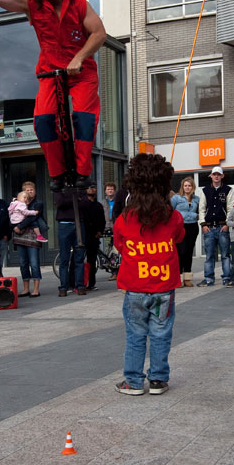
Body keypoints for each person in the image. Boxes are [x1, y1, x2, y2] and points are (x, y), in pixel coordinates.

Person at [0, 0, 106, 191]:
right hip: (50, 72)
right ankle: (57, 172)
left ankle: (83, 171)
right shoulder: (31, 5)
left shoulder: (79, 4)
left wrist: (80, 57)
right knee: (42, 121)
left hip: (81, 72)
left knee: (84, 117)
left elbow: (99, 34)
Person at [113, 153, 185, 395]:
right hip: (163, 288)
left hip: (135, 287)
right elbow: (179, 238)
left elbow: (120, 246)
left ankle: (133, 381)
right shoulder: (173, 217)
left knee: (135, 335)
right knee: (161, 333)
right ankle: (158, 379)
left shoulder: (124, 219)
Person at [197, 166, 234, 286]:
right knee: (209, 255)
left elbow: (231, 209)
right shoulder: (205, 190)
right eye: (214, 174)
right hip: (208, 228)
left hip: (222, 227)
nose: (216, 176)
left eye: (219, 174)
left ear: (222, 176)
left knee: (225, 255)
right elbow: (201, 209)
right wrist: (203, 224)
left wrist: (227, 224)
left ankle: (227, 277)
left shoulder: (228, 190)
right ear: (211, 176)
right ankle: (209, 278)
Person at [12, 180, 48, 297]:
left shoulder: (38, 203)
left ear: (35, 191)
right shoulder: (17, 202)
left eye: (31, 190)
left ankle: (36, 289)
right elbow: (12, 215)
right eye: (27, 190)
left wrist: (20, 226)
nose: (29, 192)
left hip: (33, 237)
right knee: (23, 263)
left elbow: (32, 218)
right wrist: (14, 226)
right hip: (20, 237)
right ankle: (26, 288)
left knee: (34, 263)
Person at [54, 190, 87, 296]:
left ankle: (80, 286)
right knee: (64, 258)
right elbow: (60, 202)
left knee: (79, 257)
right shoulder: (59, 187)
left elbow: (85, 204)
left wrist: (68, 201)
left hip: (78, 223)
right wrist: (75, 199)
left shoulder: (79, 187)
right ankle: (63, 287)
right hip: (65, 224)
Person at [171, 177, 199, 287]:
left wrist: (197, 216)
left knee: (188, 252)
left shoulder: (196, 199)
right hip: (180, 227)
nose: (187, 187)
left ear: (193, 187)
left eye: (189, 185)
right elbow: (171, 212)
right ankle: (178, 277)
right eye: (185, 185)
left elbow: (199, 212)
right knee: (180, 252)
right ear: (182, 187)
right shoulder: (176, 198)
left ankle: (187, 278)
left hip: (192, 227)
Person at [83, 184, 106, 290]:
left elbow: (102, 220)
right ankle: (79, 282)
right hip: (84, 234)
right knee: (79, 259)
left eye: (94, 187)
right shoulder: (82, 204)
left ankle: (91, 283)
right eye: (90, 187)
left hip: (94, 236)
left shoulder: (98, 205)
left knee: (92, 260)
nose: (92, 189)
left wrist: (100, 231)